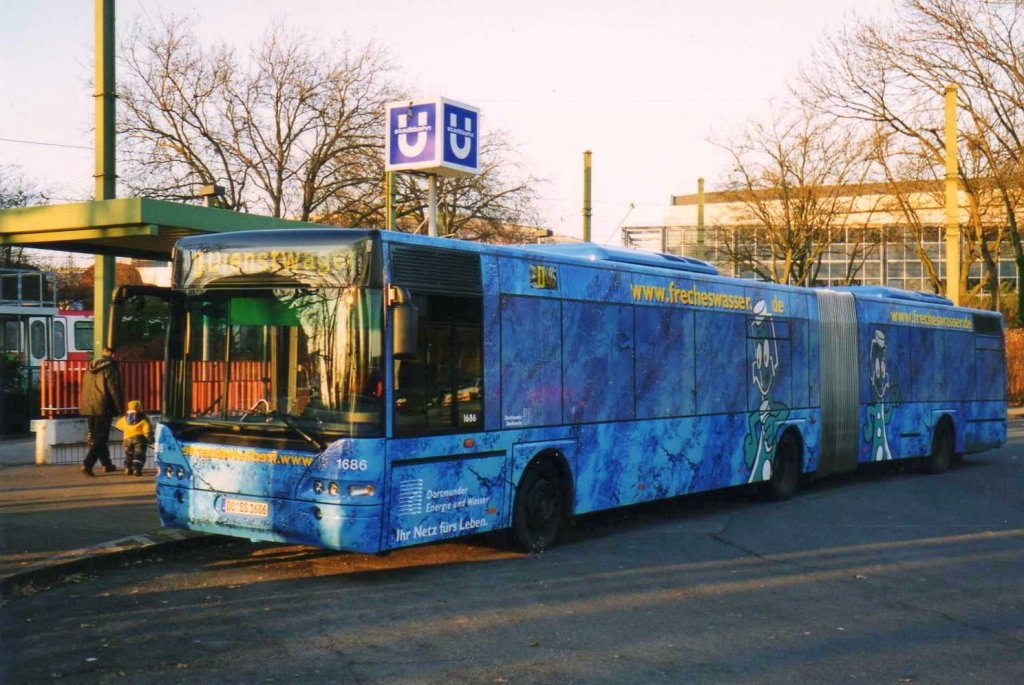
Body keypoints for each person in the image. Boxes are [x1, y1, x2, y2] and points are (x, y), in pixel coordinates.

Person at [79, 346, 123, 476]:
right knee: (101, 438)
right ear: (112, 354)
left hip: (88, 406)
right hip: (103, 406)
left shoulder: (89, 367)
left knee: (97, 437)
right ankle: (88, 464)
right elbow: (113, 389)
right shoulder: (110, 368)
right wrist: (120, 409)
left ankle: (107, 464)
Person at [115, 400, 153, 476]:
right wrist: (150, 438)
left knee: (129, 454)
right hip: (139, 439)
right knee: (139, 454)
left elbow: (118, 425)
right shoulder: (143, 418)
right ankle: (137, 469)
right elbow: (147, 429)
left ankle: (128, 468)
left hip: (127, 439)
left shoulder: (124, 418)